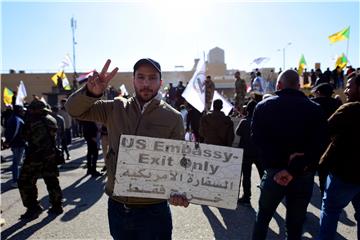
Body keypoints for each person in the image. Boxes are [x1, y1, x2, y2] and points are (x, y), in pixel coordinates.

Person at [65, 58, 189, 239]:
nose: (146, 83)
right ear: (133, 80)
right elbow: (74, 110)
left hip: (155, 210)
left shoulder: (173, 117)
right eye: (141, 77)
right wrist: (90, 93)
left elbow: (178, 162)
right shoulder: (115, 107)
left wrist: (180, 191)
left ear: (160, 82)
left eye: (152, 78)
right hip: (118, 208)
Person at [251, 69, 327, 240]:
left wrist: (278, 168)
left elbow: (258, 141)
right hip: (302, 174)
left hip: (274, 174)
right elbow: (320, 145)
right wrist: (293, 169)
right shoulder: (314, 109)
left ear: (278, 85)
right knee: (295, 225)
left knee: (263, 218)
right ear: (299, 86)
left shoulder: (263, 107)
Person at [318, 73, 360, 240]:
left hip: (344, 175)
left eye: (350, 86)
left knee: (330, 212)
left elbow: (324, 132)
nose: (347, 90)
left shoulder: (350, 109)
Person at [18, 100, 63, 220]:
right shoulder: (51, 119)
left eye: (31, 109)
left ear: (36, 110)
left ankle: (33, 208)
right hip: (50, 155)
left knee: (25, 181)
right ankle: (57, 205)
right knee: (52, 180)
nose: (29, 111)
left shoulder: (33, 121)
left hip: (36, 156)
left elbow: (25, 136)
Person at [311, 82, 342, 196]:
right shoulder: (338, 104)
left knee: (311, 175)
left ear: (318, 92)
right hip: (334, 146)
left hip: (315, 146)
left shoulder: (312, 104)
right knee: (331, 175)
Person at [236, 100, 264, 206]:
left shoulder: (244, 121)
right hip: (259, 152)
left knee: (246, 176)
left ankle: (246, 197)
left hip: (246, 152)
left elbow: (237, 133)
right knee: (263, 175)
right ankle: (265, 195)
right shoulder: (261, 121)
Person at [3, 105, 26, 188]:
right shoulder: (16, 119)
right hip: (17, 144)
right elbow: (12, 133)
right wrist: (8, 142)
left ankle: (17, 179)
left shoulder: (16, 118)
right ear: (19, 111)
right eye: (22, 110)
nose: (23, 112)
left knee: (17, 163)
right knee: (16, 163)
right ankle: (15, 181)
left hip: (19, 144)